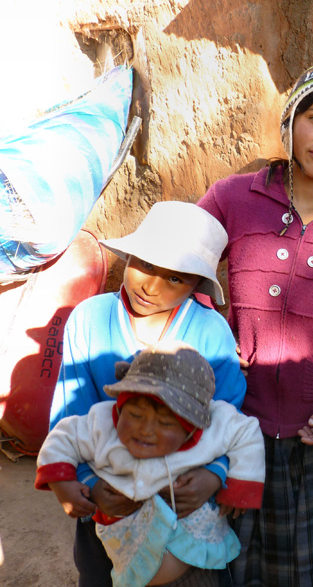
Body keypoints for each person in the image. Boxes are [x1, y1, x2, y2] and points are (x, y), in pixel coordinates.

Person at [198, 56, 313, 587]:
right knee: (233, 567)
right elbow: (181, 272)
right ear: (290, 123)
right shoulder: (235, 198)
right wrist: (214, 345)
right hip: (239, 427)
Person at [49, 200, 247, 587]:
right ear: (130, 254)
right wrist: (85, 482)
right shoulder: (89, 320)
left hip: (186, 508)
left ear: (197, 285)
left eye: (176, 278)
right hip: (108, 500)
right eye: (146, 264)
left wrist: (215, 476)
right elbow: (70, 415)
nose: (151, 286)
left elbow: (228, 422)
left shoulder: (210, 333)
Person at [37, 342, 265, 587]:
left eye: (165, 423)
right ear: (120, 405)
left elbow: (247, 431)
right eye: (135, 415)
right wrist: (63, 483)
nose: (145, 430)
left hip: (195, 566)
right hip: (127, 550)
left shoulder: (214, 426)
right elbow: (61, 437)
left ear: (193, 425)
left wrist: (238, 486)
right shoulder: (99, 423)